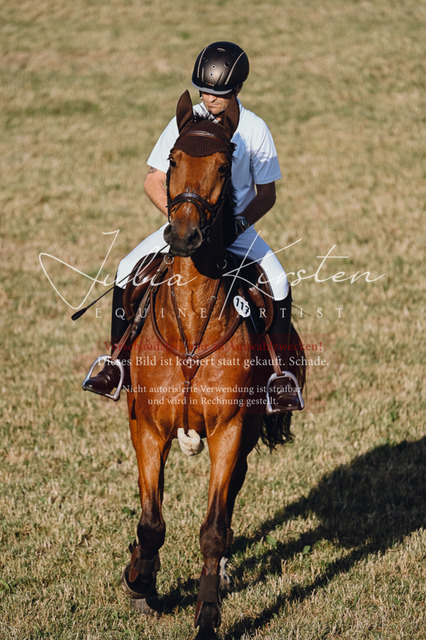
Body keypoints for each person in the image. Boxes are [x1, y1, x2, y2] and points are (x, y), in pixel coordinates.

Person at [83, 41, 302, 411]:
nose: (209, 98)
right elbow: (153, 180)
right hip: (186, 224)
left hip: (235, 228)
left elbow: (267, 194)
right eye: (203, 90)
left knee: (278, 282)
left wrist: (238, 225)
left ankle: (281, 377)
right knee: (125, 268)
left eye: (218, 92)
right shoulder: (183, 123)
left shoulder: (255, 129)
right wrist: (180, 220)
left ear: (238, 89)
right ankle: (116, 363)